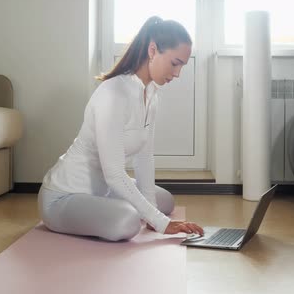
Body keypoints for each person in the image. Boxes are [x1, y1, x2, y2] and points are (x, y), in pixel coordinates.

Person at [38, 16, 205, 241]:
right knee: (126, 222)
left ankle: (120, 208)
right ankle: (113, 211)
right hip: (65, 196)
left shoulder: (152, 95)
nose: (177, 74)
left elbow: (144, 157)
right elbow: (115, 174)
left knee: (164, 202)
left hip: (105, 190)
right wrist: (161, 222)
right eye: (175, 63)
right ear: (153, 50)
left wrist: (155, 218)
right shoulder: (113, 93)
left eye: (182, 66)